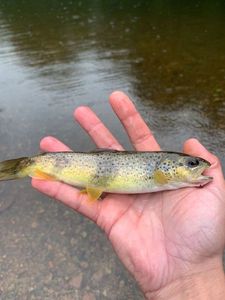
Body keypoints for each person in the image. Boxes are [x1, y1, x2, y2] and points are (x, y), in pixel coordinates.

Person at [32, 91, 225, 299]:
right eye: (192, 164)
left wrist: (196, 270)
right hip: (95, 173)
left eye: (192, 164)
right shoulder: (163, 174)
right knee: (42, 169)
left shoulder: (170, 179)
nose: (198, 167)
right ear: (165, 168)